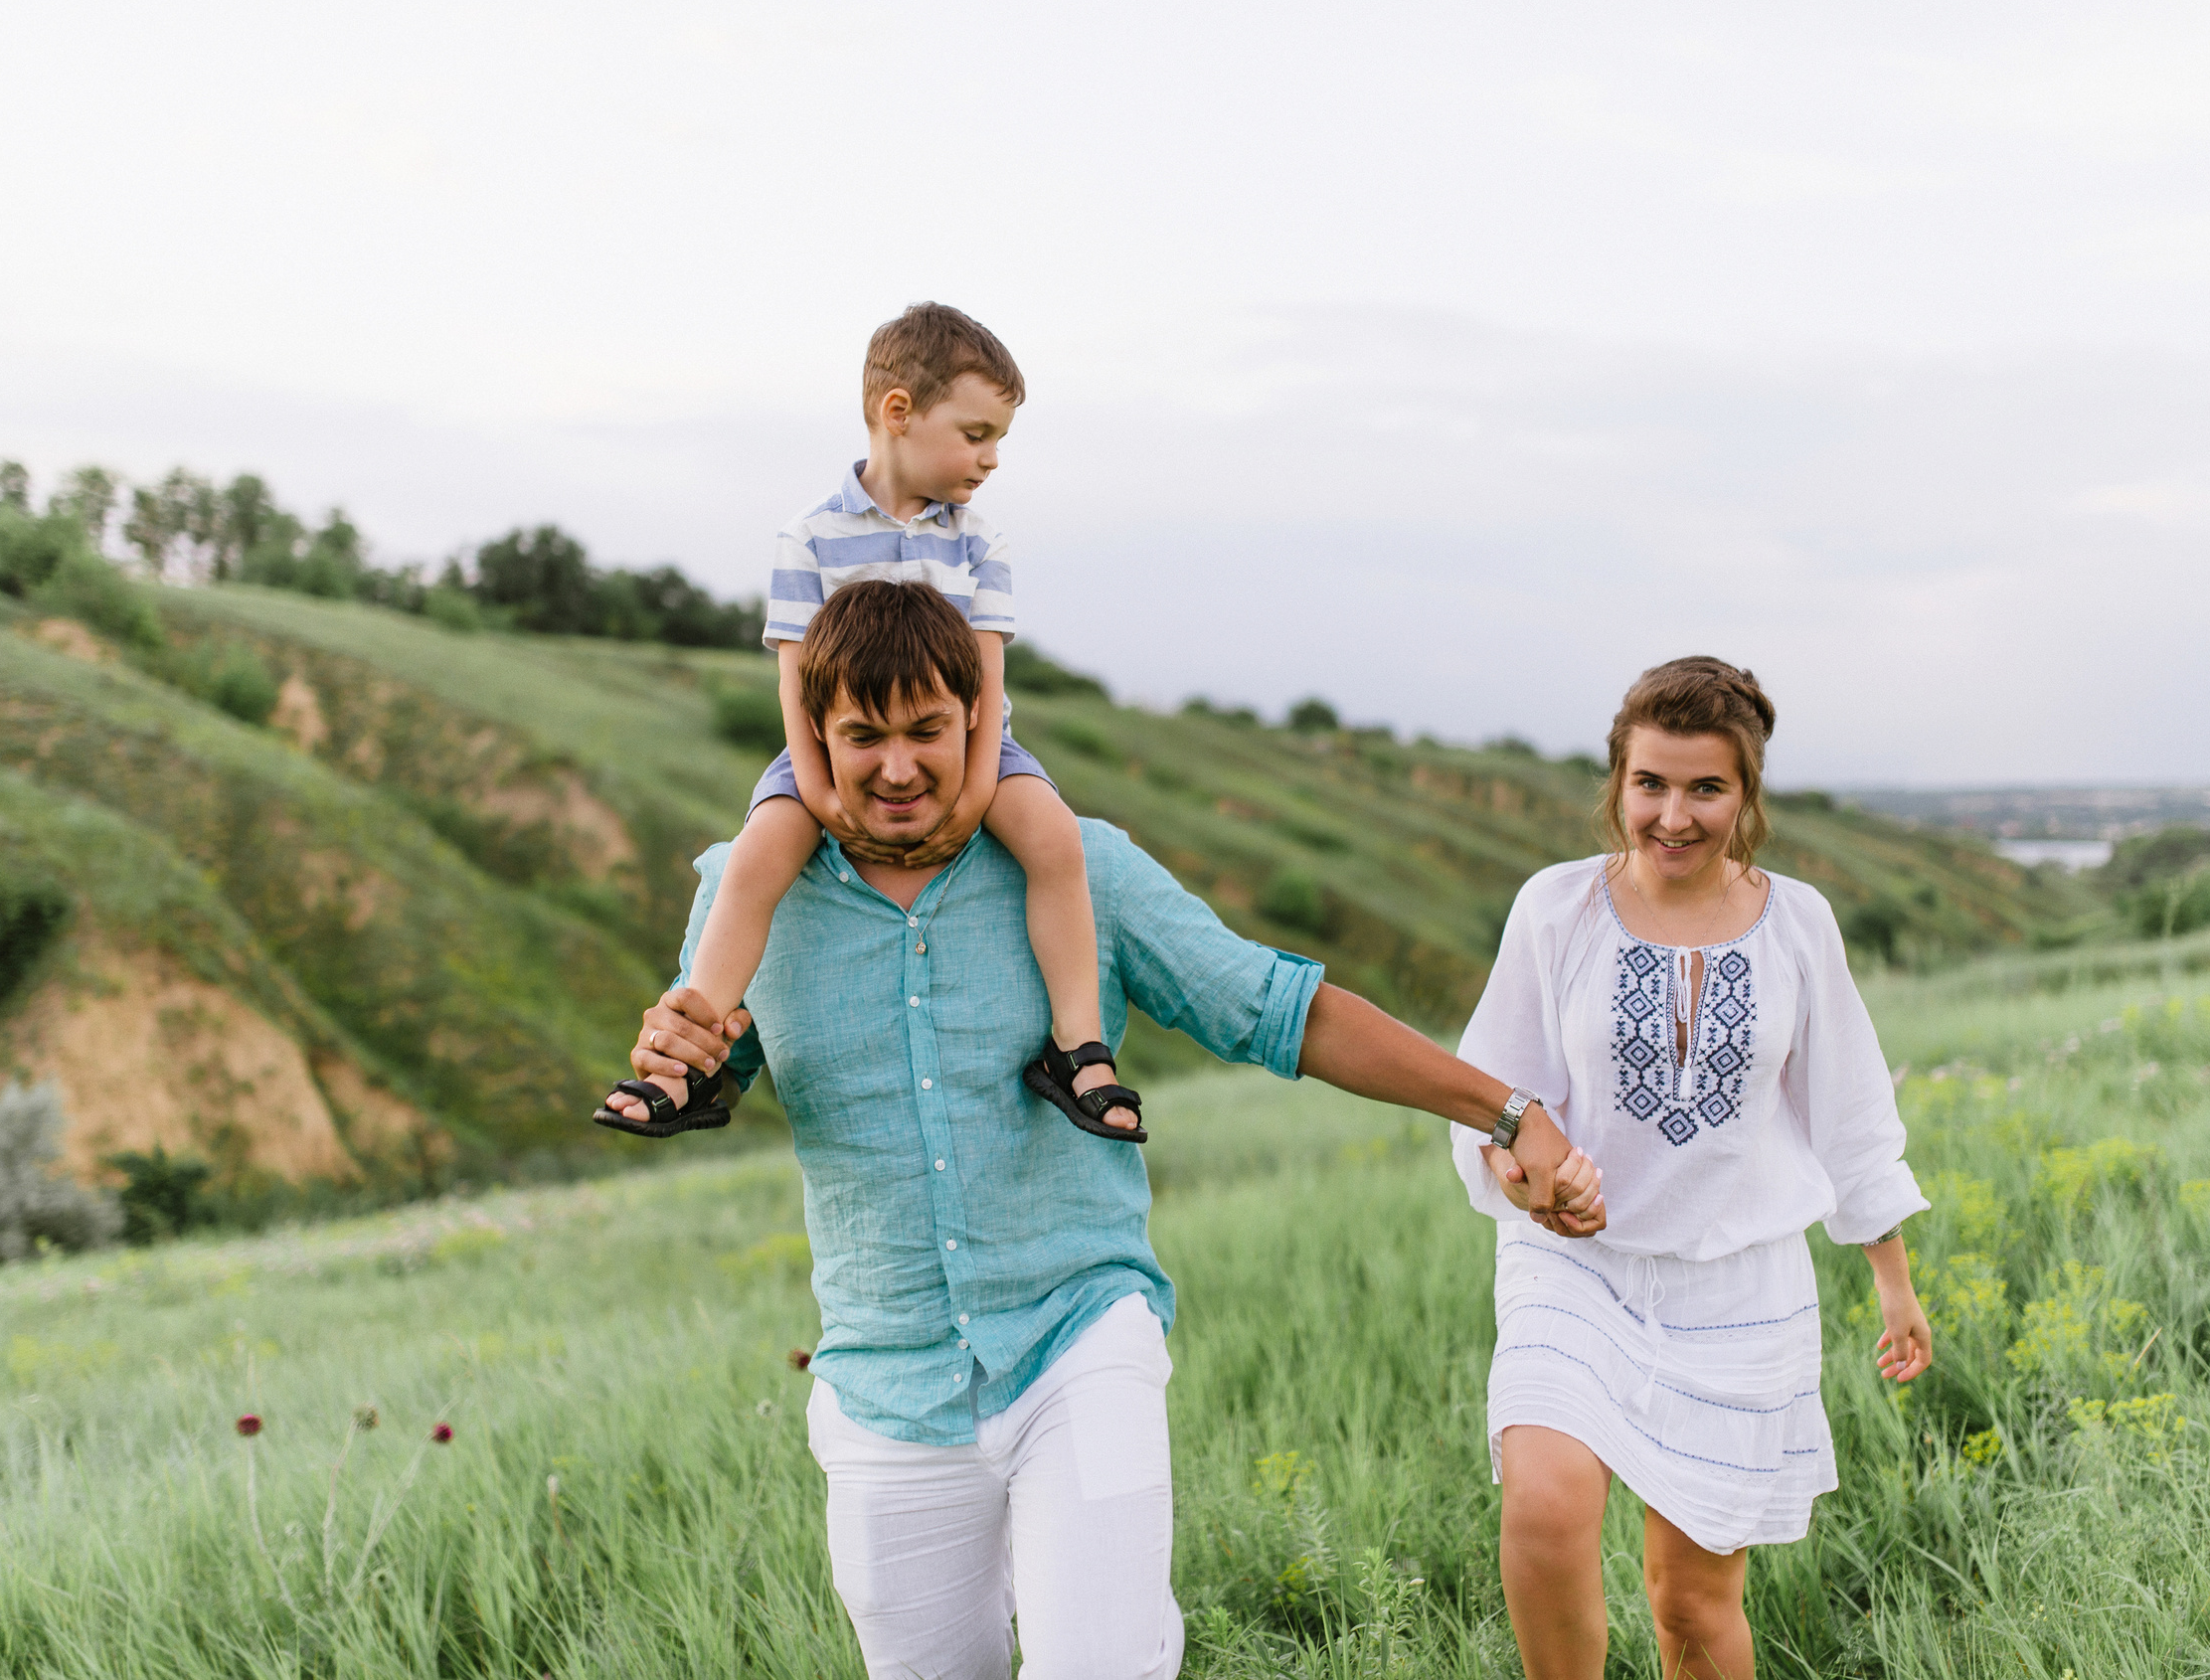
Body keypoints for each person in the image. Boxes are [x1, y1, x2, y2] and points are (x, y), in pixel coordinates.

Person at [608, 579, 1605, 1680]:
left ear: (978, 719)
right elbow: (711, 1067)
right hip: (884, 1384)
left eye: (928, 730)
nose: (897, 766)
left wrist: (1507, 1109)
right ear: (813, 736)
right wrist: (678, 1062)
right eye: (862, 736)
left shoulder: (1078, 866)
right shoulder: (748, 891)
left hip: (1077, 1336)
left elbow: (1276, 1008)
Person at [1455, 656, 1933, 1680]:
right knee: (1543, 1503)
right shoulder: (1556, 909)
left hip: (1740, 1286)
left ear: (1746, 793)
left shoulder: (1798, 923)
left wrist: (1892, 1281)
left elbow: (1848, 1111)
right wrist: (1529, 1181)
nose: (1672, 814)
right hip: (1574, 1267)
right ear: (1617, 783)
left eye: (1705, 787)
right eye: (1650, 784)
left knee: (1692, 1607)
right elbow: (1493, 1094)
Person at [604, 302, 1141, 1142]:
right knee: (750, 865)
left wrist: (972, 794)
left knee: (1056, 840)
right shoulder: (810, 537)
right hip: (830, 751)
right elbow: (796, 687)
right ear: (898, 412)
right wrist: (818, 794)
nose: (991, 459)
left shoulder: (978, 542)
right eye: (975, 433)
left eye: (999, 438)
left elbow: (986, 682)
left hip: (968, 746)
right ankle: (687, 1063)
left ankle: (1078, 1046)